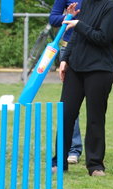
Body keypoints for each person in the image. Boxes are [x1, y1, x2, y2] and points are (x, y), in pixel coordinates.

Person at [52, 0, 113, 177]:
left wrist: (78, 24)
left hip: (99, 69)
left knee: (95, 118)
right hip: (75, 68)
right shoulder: (84, 4)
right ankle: (59, 162)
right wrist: (65, 59)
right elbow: (74, 37)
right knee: (66, 114)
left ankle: (95, 165)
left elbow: (102, 37)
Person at [49, 0, 83, 165]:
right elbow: (53, 19)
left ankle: (91, 151)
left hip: (93, 46)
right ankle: (72, 149)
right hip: (69, 47)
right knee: (71, 102)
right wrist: (68, 15)